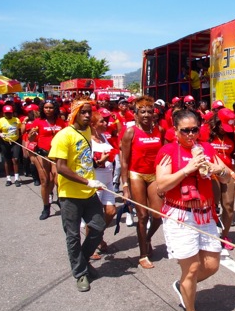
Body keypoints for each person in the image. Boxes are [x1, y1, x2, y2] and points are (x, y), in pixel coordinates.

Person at [155, 109, 233, 311]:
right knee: (192, 269)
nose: (191, 135)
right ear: (175, 131)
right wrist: (187, 169)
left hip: (205, 214)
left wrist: (221, 170)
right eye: (185, 131)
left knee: (212, 265)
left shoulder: (207, 148)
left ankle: (183, 286)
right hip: (181, 216)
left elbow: (227, 176)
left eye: (194, 130)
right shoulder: (168, 151)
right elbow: (162, 185)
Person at [48, 98, 107, 292]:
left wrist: (95, 167)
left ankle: (81, 260)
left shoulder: (88, 131)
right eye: (83, 112)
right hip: (69, 194)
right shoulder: (63, 136)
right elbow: (61, 168)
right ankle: (80, 273)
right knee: (72, 236)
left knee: (98, 227)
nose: (88, 115)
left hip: (89, 192)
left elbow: (83, 159)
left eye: (89, 112)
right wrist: (87, 181)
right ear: (74, 113)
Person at [120, 96, 164, 269]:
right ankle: (143, 254)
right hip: (136, 175)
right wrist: (125, 187)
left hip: (153, 175)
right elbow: (124, 161)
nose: (146, 115)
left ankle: (147, 238)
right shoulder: (130, 132)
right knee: (142, 216)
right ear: (136, 114)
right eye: (142, 111)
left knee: (158, 216)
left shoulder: (158, 130)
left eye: (149, 111)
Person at [208, 108, 235, 252]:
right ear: (216, 123)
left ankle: (225, 235)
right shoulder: (206, 134)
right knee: (213, 206)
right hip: (212, 173)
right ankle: (211, 234)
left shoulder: (231, 136)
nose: (225, 130)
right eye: (223, 126)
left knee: (228, 206)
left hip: (229, 173)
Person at [29, 99, 67, 220]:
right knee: (45, 181)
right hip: (43, 154)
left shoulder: (61, 122)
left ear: (55, 108)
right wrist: (31, 135)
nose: (48, 110)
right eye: (46, 107)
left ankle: (62, 202)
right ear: (42, 109)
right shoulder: (38, 121)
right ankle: (46, 207)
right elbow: (31, 139)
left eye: (51, 107)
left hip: (57, 155)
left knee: (57, 181)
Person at [89, 110, 117, 259]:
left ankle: (97, 236)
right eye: (102, 121)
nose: (106, 123)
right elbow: (88, 164)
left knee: (111, 212)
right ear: (93, 125)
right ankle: (91, 245)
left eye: (106, 121)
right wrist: (101, 160)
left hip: (108, 179)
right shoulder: (88, 140)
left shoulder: (104, 137)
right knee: (94, 215)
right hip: (96, 180)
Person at [0, 104, 22, 187]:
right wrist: (0, 134)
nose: (8, 114)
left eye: (10, 113)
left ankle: (16, 178)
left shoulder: (17, 120)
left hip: (15, 142)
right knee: (7, 160)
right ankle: (8, 178)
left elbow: (19, 130)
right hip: (4, 142)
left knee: (15, 159)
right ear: (3, 113)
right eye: (6, 113)